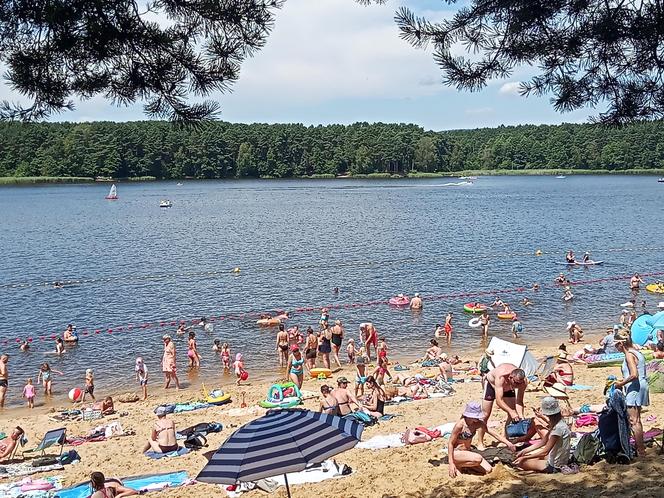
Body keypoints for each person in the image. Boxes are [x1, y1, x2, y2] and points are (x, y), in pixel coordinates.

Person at [448, 401, 516, 478]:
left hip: (468, 451)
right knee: (478, 458)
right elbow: (450, 443)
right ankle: (458, 464)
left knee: (488, 470)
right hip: (457, 452)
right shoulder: (460, 425)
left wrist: (508, 443)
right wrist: (451, 463)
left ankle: (465, 465)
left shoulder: (478, 423)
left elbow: (494, 434)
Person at [614, 329, 650, 456]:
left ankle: (641, 450)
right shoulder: (637, 352)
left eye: (616, 344)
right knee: (637, 419)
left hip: (634, 388)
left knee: (633, 420)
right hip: (642, 385)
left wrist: (620, 384)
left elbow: (634, 374)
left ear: (621, 344)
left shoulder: (629, 355)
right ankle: (640, 448)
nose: (615, 347)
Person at [513, 397, 571, 473]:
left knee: (521, 463)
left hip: (555, 465)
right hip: (560, 459)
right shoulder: (560, 423)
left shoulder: (557, 429)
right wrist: (524, 451)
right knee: (533, 457)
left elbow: (545, 452)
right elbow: (543, 442)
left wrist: (524, 458)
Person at [479, 364, 527, 449]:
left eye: (519, 383)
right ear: (510, 377)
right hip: (492, 384)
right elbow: (499, 401)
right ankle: (480, 442)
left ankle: (505, 437)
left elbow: (519, 401)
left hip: (507, 388)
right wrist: (511, 412)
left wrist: (521, 416)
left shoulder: (522, 382)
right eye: (515, 382)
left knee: (513, 413)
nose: (517, 385)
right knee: (485, 415)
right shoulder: (501, 377)